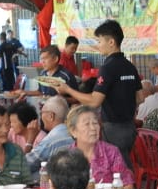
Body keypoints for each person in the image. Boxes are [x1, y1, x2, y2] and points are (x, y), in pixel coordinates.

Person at [60, 20, 142, 167]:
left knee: (119, 171)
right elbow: (140, 97)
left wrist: (68, 90)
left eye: (99, 41)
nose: (98, 45)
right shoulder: (130, 67)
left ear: (111, 42)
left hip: (113, 129)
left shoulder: (108, 67)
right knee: (123, 166)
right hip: (130, 128)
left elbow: (94, 101)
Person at [70, 106, 131, 184]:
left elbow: (127, 185)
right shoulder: (67, 158)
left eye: (95, 123)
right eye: (87, 124)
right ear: (73, 131)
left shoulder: (111, 152)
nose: (93, 128)